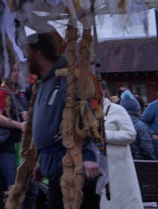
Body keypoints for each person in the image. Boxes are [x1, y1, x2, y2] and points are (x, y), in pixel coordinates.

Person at [26, 30, 101, 209]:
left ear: (38, 54)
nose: (23, 60)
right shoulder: (44, 82)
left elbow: (86, 118)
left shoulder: (68, 78)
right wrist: (41, 163)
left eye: (26, 55)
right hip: (55, 167)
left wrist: (89, 156)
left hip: (74, 167)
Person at [0, 65, 26, 205]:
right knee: (15, 191)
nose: (17, 73)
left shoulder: (21, 94)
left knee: (27, 194)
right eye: (14, 70)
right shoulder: (1, 93)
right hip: (8, 150)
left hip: (22, 150)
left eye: (19, 70)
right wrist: (19, 125)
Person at [99, 94, 141, 209]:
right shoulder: (86, 112)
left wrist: (104, 135)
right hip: (97, 171)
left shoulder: (117, 109)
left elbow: (130, 134)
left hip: (119, 171)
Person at [118, 92, 155, 161]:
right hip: (139, 162)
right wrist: (152, 158)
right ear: (136, 109)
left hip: (122, 161)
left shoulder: (118, 123)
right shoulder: (140, 125)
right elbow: (147, 146)